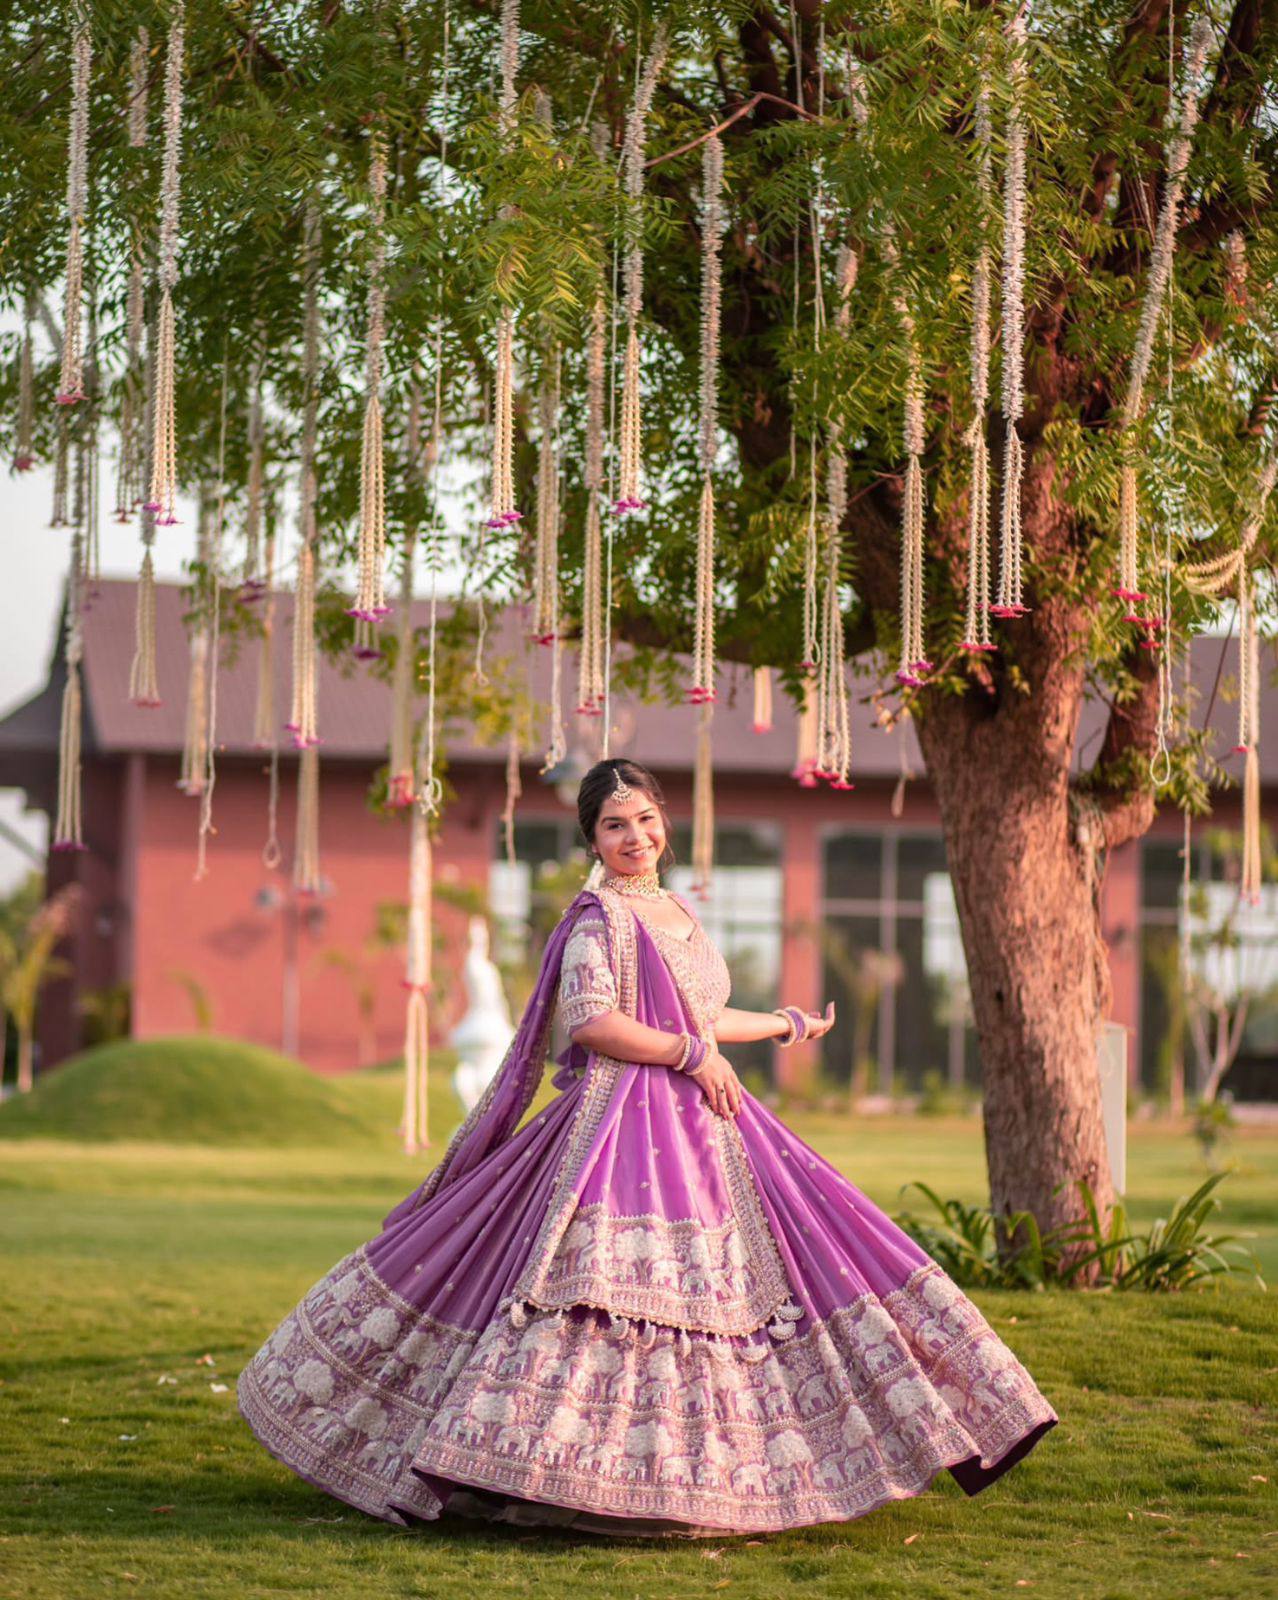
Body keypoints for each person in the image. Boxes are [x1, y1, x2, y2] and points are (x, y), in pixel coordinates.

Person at [237, 757, 1057, 1537]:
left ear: (665, 822)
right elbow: (593, 1022)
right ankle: (552, 1479)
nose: (635, 837)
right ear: (592, 841)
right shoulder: (600, 920)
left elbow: (701, 1016)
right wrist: (690, 1056)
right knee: (601, 1290)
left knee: (788, 1261)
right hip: (619, 1128)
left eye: (645, 818)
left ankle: (695, 1480)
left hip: (705, 1127)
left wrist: (784, 1023)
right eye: (614, 826)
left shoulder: (677, 912)